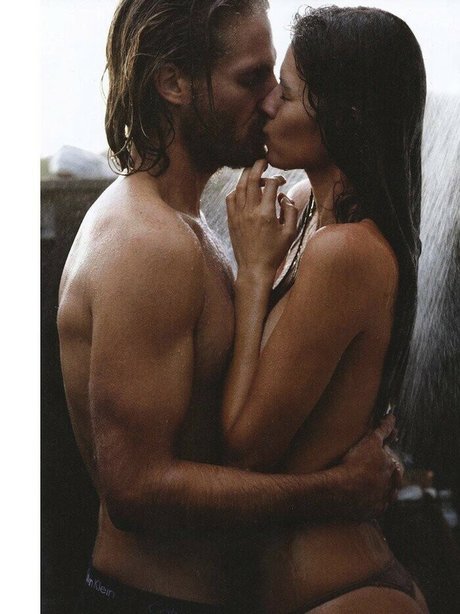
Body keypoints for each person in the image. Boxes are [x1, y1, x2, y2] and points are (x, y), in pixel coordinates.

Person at [58, 1, 399, 613]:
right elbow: (135, 490)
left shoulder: (190, 226)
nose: (271, 102)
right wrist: (337, 491)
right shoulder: (148, 244)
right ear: (174, 83)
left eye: (276, 80)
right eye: (250, 79)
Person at [222, 6, 429, 613]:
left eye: (286, 94)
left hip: (347, 593)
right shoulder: (307, 209)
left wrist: (254, 274)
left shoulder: (346, 253)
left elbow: (245, 450)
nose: (267, 104)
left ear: (346, 116)